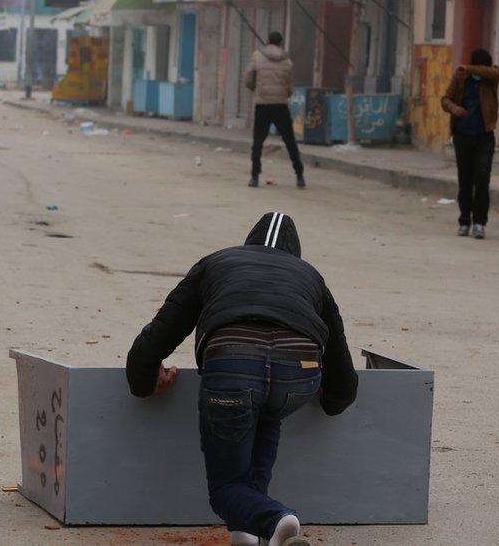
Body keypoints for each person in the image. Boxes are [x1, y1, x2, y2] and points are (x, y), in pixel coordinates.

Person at [126, 212, 359, 546]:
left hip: (233, 365)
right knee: (267, 412)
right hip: (298, 373)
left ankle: (277, 520)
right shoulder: (311, 278)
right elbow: (343, 378)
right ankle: (247, 536)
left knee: (226, 487)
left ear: (247, 245)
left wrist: (145, 383)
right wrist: (331, 398)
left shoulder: (216, 264)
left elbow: (156, 337)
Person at [441, 48, 499, 239]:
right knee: (465, 180)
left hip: (484, 136)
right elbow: (445, 99)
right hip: (462, 135)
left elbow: (496, 72)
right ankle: (465, 220)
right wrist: (454, 108)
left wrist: (471, 68)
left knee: (482, 178)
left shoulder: (490, 79)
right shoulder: (461, 78)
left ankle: (479, 223)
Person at [244, 32, 305, 189]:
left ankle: (254, 177)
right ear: (281, 43)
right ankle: (299, 176)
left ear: (267, 41)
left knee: (258, 142)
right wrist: (284, 95)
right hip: (280, 105)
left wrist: (257, 90)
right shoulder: (287, 61)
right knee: (290, 141)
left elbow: (248, 78)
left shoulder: (257, 56)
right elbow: (290, 86)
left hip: (262, 105)